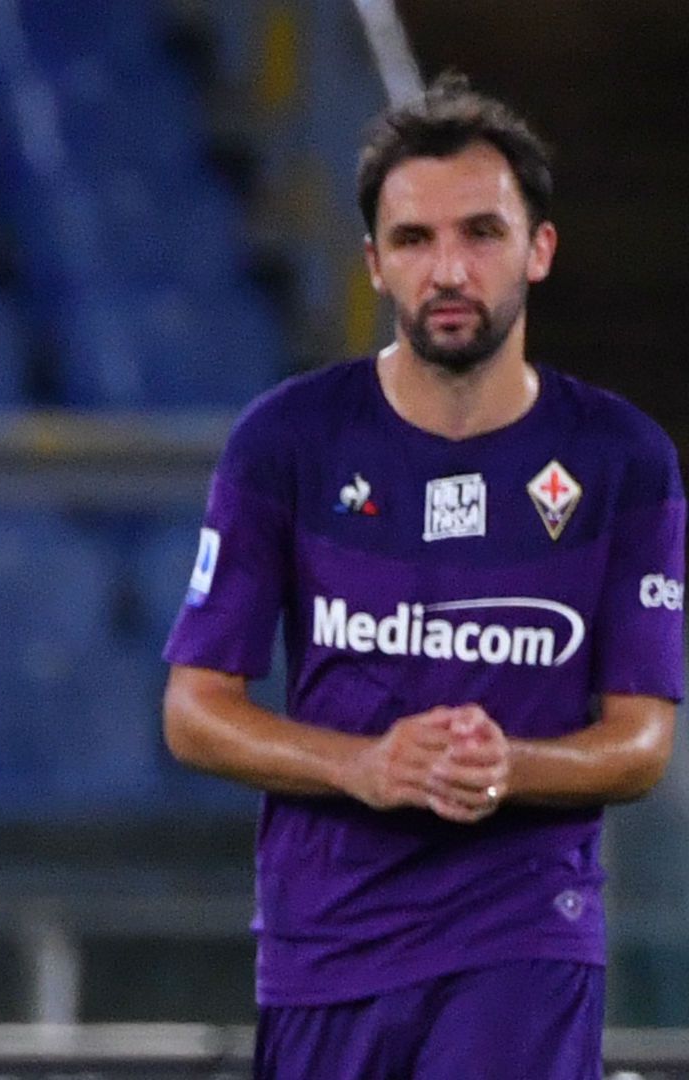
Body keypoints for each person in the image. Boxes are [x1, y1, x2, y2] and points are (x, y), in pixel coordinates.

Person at [162, 73, 683, 1079]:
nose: (448, 269)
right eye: (413, 240)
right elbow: (194, 712)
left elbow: (641, 742)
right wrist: (363, 766)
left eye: (481, 234)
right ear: (374, 263)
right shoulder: (288, 441)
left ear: (539, 249)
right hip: (326, 942)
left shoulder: (624, 461)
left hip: (524, 929)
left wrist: (504, 767)